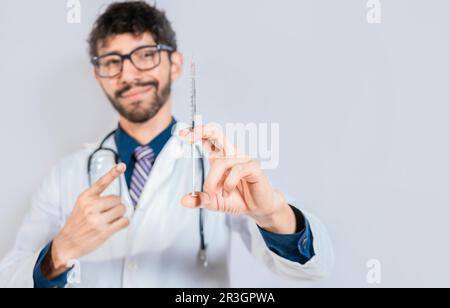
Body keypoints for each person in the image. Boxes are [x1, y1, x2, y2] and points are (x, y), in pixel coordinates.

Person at [0, 1, 333, 288]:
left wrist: (272, 214)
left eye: (145, 55)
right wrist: (59, 252)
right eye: (112, 62)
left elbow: (314, 267)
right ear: (98, 76)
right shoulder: (66, 175)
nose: (128, 75)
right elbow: (9, 277)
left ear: (174, 65)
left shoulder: (220, 163)